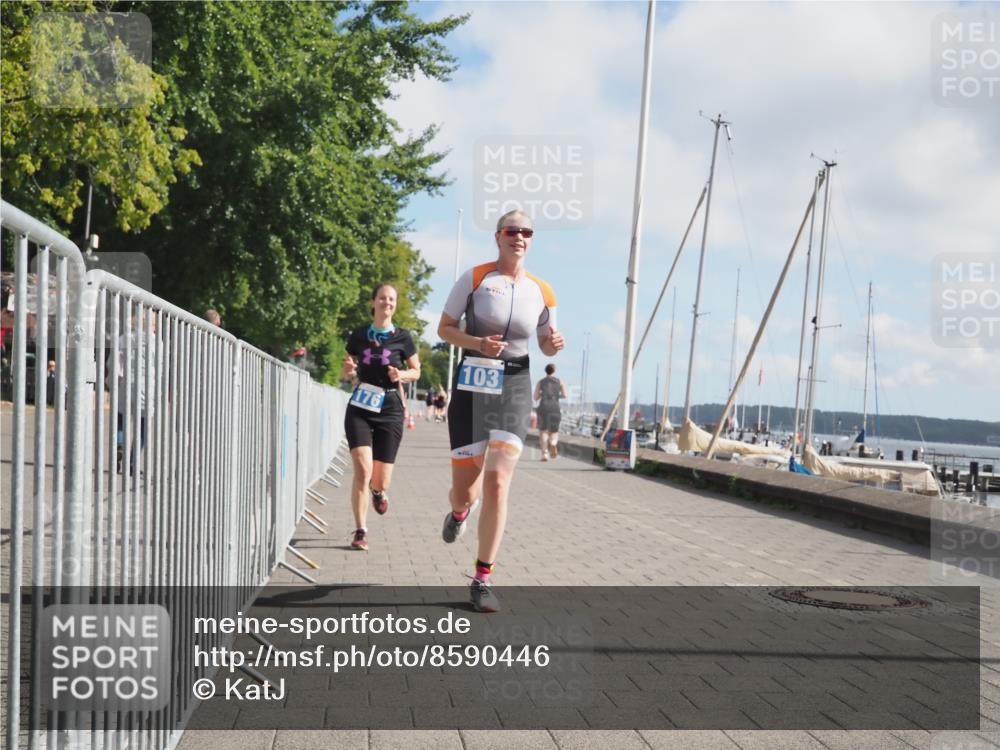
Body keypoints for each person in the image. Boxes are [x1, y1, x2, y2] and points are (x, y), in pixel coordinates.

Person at [437, 209, 565, 612]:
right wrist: (477, 344)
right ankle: (459, 512)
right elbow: (444, 329)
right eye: (512, 230)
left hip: (514, 384)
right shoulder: (476, 279)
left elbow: (544, 342)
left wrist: (553, 345)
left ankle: (482, 577)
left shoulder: (543, 291)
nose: (520, 237)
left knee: (498, 481)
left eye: (527, 232)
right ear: (498, 237)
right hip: (474, 381)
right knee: (466, 490)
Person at [340, 283, 420, 551]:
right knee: (362, 469)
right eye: (382, 298)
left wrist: (403, 375)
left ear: (395, 304)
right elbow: (347, 370)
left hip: (390, 407)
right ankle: (361, 530)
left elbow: (416, 371)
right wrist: (349, 370)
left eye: (392, 299)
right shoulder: (359, 335)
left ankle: (378, 491)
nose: (387, 302)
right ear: (373, 302)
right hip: (361, 405)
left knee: (380, 479)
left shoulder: (403, 337)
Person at [534, 363, 568, 461]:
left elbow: (535, 397)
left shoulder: (540, 382)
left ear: (546, 371)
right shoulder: (560, 381)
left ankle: (544, 454)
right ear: (554, 371)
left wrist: (542, 394)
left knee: (543, 432)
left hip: (543, 407)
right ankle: (553, 444)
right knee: (554, 432)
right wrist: (556, 395)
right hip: (555, 408)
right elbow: (565, 395)